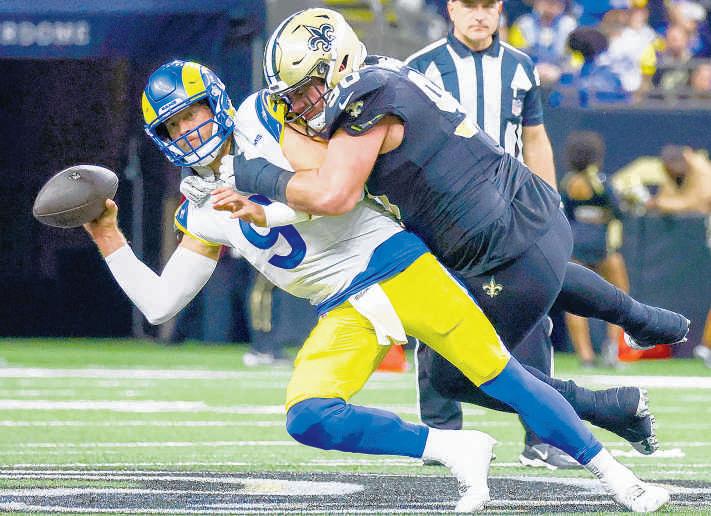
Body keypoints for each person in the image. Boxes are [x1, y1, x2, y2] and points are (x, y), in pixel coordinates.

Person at [86, 59, 663, 512]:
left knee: (503, 377)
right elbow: (160, 304)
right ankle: (454, 447)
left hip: (393, 264)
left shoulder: (265, 117)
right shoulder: (198, 208)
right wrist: (108, 235)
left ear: (215, 101)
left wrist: (263, 208)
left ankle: (619, 478)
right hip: (341, 305)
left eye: (192, 114)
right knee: (308, 416)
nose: (188, 131)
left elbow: (335, 186)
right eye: (174, 126)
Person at [216, 8, 681, 510]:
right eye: (291, 96)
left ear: (340, 64)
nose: (300, 105)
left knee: (460, 374)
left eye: (307, 89)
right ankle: (643, 322)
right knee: (499, 340)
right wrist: (268, 206)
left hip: (496, 242)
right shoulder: (382, 69)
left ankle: (608, 413)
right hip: (517, 218)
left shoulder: (366, 99)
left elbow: (333, 193)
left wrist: (254, 173)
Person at [403, 0, 680, 469]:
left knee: (533, 314)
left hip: (511, 212)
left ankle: (542, 437)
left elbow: (534, 137)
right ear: (451, 8)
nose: (478, 15)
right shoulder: (421, 67)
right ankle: (443, 435)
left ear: (500, 9)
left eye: (487, 5)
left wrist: (548, 204)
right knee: (437, 315)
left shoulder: (519, 66)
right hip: (444, 216)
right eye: (469, 5)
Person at [560, 131, 629, 368]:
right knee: (619, 296)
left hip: (575, 245)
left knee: (574, 301)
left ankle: (585, 354)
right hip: (603, 247)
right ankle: (612, 348)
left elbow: (564, 214)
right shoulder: (601, 181)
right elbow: (618, 211)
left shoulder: (568, 183)